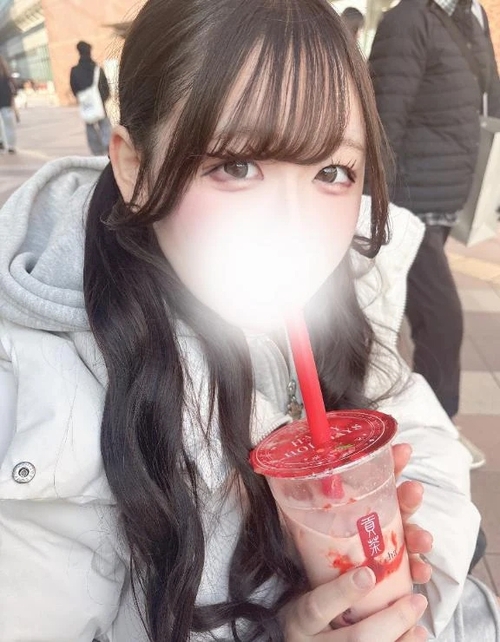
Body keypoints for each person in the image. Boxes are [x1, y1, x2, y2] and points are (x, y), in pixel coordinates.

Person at [0, 1, 499, 640]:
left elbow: (422, 433)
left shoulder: (344, 288)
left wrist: (410, 577)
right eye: (236, 167)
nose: (293, 227)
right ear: (134, 167)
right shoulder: (37, 403)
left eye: (332, 172)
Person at [369, 0, 500, 469]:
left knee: (406, 316)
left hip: (444, 199)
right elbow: (384, 119)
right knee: (442, 320)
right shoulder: (409, 20)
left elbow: (487, 97)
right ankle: (438, 432)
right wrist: (376, 208)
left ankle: (407, 429)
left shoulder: (470, 16)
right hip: (409, 205)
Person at [70, 41, 112, 156]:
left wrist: (82, 98)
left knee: (90, 127)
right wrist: (102, 100)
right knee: (105, 125)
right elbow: (105, 87)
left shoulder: (75, 71)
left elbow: (74, 88)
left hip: (86, 103)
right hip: (99, 103)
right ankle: (108, 148)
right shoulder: (97, 69)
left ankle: (97, 152)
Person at [0, 55, 17, 154]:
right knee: (9, 124)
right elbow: (13, 86)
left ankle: (4, 143)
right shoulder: (6, 73)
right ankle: (10, 145)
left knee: (8, 123)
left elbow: (13, 86)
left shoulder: (6, 73)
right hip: (6, 101)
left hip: (6, 101)